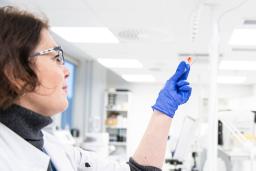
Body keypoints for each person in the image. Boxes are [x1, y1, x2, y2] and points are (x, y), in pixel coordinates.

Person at [0, 6, 192, 171]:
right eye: (55, 57)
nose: (66, 71)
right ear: (15, 73)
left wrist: (164, 110)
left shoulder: (52, 148)